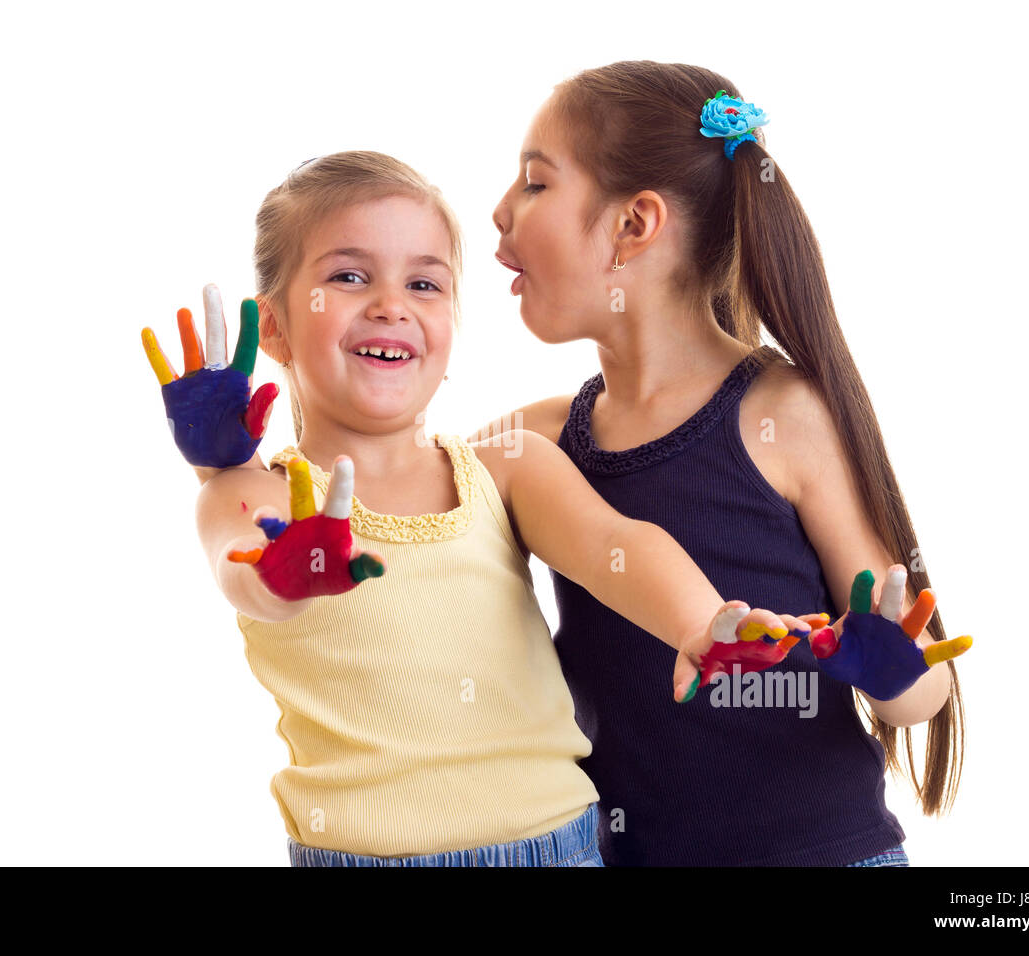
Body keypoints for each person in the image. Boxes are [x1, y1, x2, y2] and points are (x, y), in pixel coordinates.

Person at [142, 150, 815, 866]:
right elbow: (241, 568)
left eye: (424, 283)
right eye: (348, 276)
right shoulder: (254, 493)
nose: (391, 304)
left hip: (555, 848)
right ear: (273, 328)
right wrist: (284, 564)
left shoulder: (503, 464)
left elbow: (614, 545)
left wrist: (702, 623)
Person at [477, 61, 972, 866]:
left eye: (535, 184)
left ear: (633, 225)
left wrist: (888, 668)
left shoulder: (784, 415)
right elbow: (393, 511)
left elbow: (923, 692)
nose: (499, 210)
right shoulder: (531, 445)